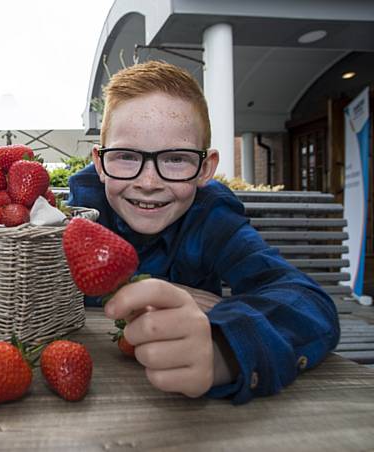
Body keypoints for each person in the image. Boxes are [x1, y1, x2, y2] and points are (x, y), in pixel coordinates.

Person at [67, 60, 340, 404]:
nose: (148, 182)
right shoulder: (74, 220)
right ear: (99, 162)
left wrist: (224, 347)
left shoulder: (212, 220)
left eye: (176, 159)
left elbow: (308, 303)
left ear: (205, 168)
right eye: (125, 156)